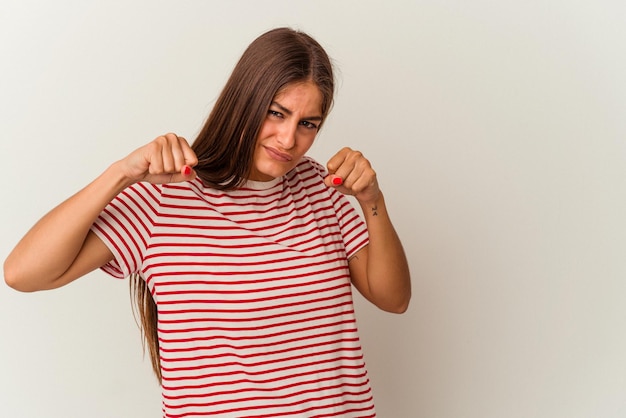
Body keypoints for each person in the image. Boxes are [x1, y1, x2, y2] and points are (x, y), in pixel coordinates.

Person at [4, 27, 411, 417]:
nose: (289, 140)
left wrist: (372, 201)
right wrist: (120, 174)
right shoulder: (165, 195)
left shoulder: (321, 188)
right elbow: (23, 273)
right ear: (244, 102)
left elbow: (393, 299)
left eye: (307, 124)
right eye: (276, 113)